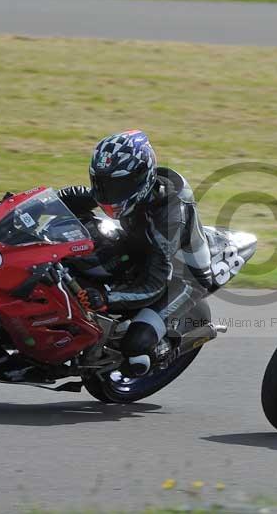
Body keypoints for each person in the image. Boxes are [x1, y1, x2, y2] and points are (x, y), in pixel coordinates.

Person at [58, 130, 213, 376]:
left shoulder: (167, 218)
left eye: (115, 186)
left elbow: (155, 283)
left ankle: (164, 349)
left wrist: (106, 299)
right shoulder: (126, 191)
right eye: (102, 183)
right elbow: (79, 197)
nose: (107, 194)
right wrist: (30, 203)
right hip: (140, 250)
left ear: (141, 177)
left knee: (136, 351)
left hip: (180, 277)